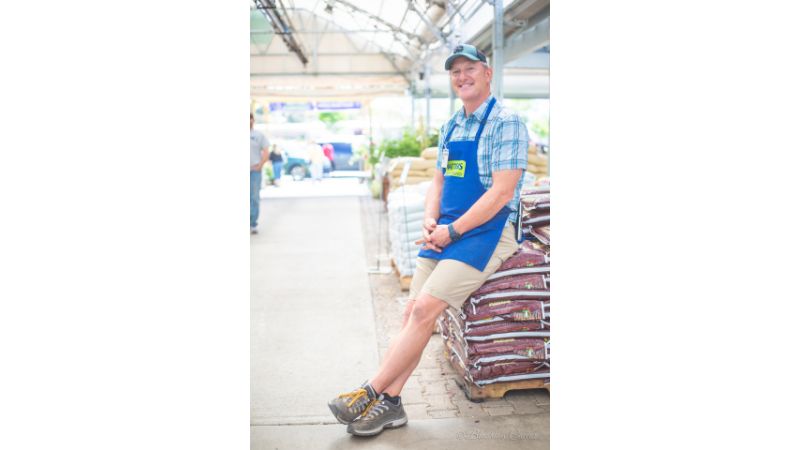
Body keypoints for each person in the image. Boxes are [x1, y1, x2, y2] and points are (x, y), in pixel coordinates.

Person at [327, 43, 529, 436]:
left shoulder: (507, 122)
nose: (462, 77)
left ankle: (368, 392)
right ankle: (392, 403)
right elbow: (439, 179)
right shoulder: (452, 124)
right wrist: (430, 219)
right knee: (411, 315)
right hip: (447, 228)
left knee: (423, 311)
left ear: (488, 74)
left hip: (488, 232)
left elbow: (502, 193)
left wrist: (452, 231)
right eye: (456, 71)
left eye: (471, 69)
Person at [250, 113, 270, 234]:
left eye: (250, 118)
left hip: (254, 171)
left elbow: (266, 151)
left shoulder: (259, 135)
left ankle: (253, 223)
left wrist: (260, 165)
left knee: (254, 197)